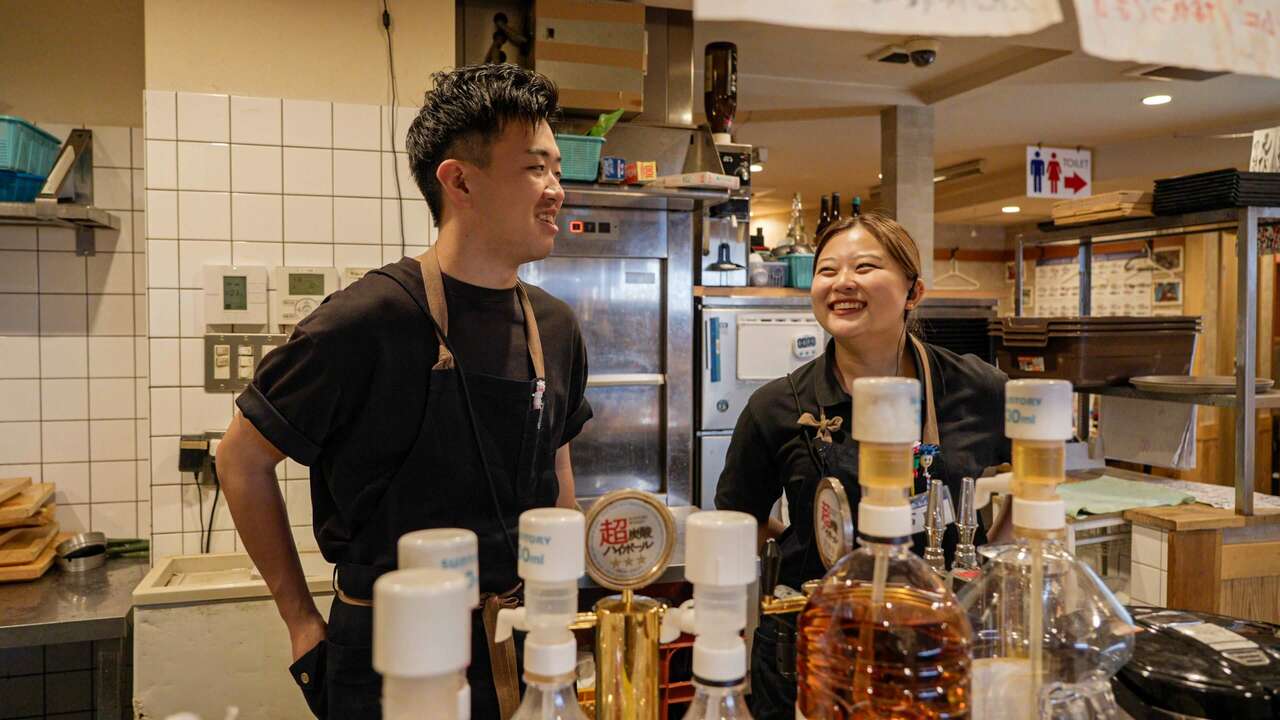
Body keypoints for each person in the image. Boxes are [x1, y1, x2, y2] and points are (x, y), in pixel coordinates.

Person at [216, 64, 592, 720]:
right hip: (385, 650)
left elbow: (557, 473)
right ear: (459, 180)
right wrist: (303, 625)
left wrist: (567, 613)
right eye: (535, 168)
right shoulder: (367, 320)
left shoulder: (554, 326)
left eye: (558, 169)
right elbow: (240, 459)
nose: (557, 191)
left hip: (526, 639)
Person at [714, 211, 1010, 719]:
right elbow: (739, 518)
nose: (842, 283)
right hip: (811, 649)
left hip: (937, 644)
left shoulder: (976, 387)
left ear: (913, 292)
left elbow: (1035, 481)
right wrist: (815, 545)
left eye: (865, 267)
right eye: (827, 271)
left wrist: (989, 569)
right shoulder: (776, 406)